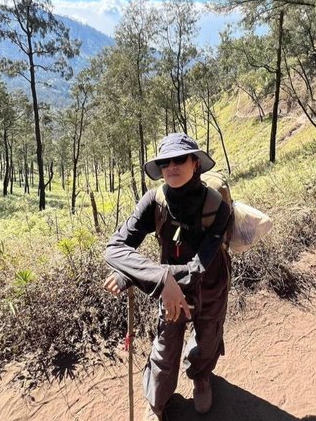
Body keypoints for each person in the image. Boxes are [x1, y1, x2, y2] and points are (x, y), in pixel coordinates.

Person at [103, 132, 231, 421]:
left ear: (195, 163)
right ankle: (157, 402)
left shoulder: (217, 206)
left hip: (211, 283)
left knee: (208, 335)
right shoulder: (154, 201)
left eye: (179, 159)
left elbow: (200, 265)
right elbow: (115, 248)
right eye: (164, 162)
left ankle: (200, 375)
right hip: (170, 289)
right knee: (166, 343)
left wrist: (145, 277)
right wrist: (158, 280)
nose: (171, 166)